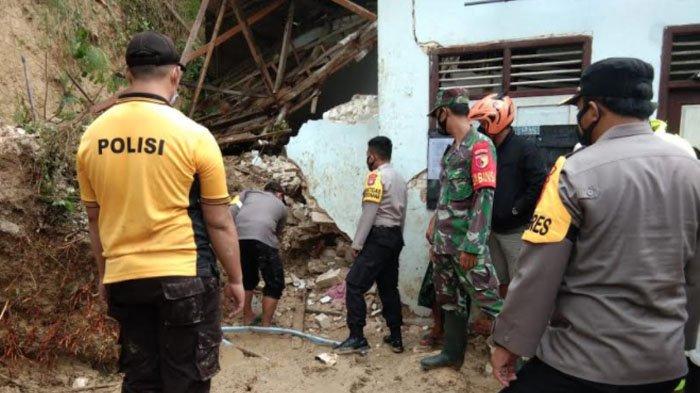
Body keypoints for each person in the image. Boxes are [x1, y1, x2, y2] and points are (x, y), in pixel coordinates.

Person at [490, 57, 700, 393]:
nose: (579, 119)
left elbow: (538, 271)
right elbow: (694, 272)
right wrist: (683, 340)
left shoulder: (573, 171)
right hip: (664, 363)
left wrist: (509, 343)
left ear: (594, 110)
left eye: (579, 109)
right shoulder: (692, 169)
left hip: (582, 363)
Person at [76, 31, 245, 393]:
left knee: (141, 381)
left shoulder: (91, 138)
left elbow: (95, 220)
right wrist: (236, 278)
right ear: (175, 75)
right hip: (184, 277)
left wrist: (105, 276)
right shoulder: (194, 135)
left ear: (128, 75)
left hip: (126, 280)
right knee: (186, 382)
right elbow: (218, 220)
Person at [421, 88, 503, 371]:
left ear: (444, 112)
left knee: (491, 301)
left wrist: (473, 245)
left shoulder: (480, 146)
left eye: (437, 116)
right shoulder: (452, 149)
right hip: (444, 245)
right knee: (450, 301)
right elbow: (445, 193)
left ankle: (521, 362)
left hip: (465, 246)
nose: (437, 121)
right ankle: (451, 354)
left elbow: (485, 197)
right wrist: (433, 226)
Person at [334, 136, 408, 354]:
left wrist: (357, 244)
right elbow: (402, 215)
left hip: (379, 237)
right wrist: (397, 239)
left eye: (368, 155)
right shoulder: (400, 179)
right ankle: (396, 337)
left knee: (354, 285)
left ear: (372, 156)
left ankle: (357, 337)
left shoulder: (375, 177)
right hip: (394, 238)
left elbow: (370, 212)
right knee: (388, 287)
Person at [469, 93, 547, 298]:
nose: (481, 128)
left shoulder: (525, 148)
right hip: (491, 229)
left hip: (515, 230)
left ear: (497, 121)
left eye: (484, 123)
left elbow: (538, 183)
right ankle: (501, 324)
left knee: (520, 282)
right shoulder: (486, 149)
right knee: (498, 280)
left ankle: (519, 327)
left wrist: (516, 208)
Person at [230, 181, 288, 327]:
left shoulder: (246, 193)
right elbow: (277, 233)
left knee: (247, 278)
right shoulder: (281, 206)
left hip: (239, 238)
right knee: (275, 283)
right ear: (280, 194)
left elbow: (230, 211)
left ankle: (247, 317)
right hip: (264, 239)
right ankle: (266, 325)